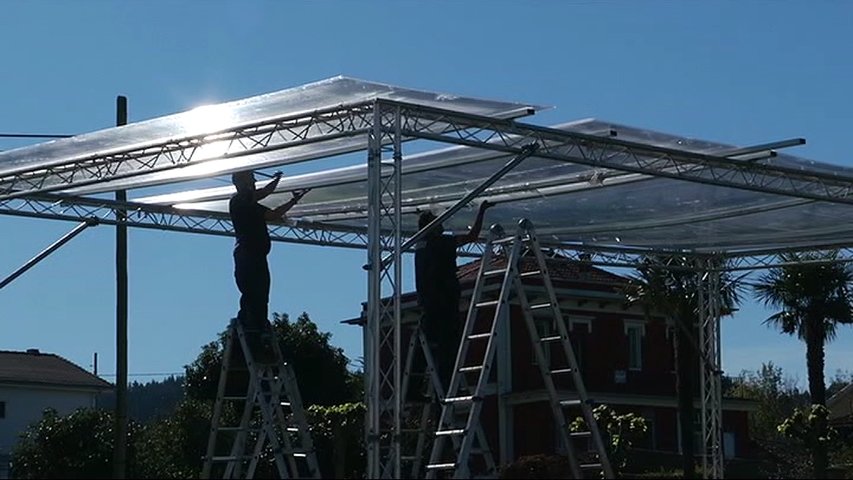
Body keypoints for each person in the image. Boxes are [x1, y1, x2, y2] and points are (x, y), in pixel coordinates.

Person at [410, 201, 493, 401]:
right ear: (433, 226)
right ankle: (448, 390)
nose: (443, 225)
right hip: (444, 304)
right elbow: (472, 236)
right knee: (448, 349)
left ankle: (413, 391)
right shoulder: (440, 243)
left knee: (425, 350)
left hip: (428, 304)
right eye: (439, 222)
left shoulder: (420, 245)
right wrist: (481, 211)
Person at [229, 170, 309, 336]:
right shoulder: (240, 203)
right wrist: (291, 197)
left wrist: (280, 184)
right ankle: (251, 326)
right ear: (242, 183)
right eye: (251, 180)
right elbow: (270, 206)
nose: (254, 183)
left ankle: (257, 324)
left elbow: (269, 202)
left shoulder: (247, 203)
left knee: (260, 294)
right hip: (248, 257)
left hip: (254, 256)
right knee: (253, 293)